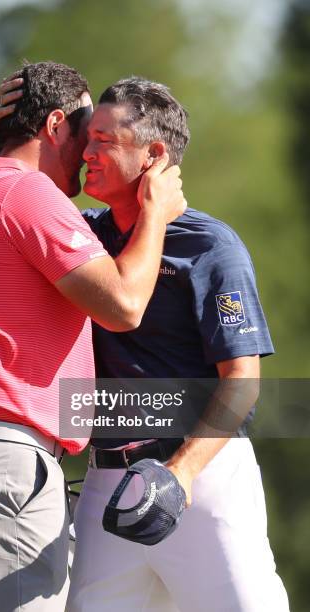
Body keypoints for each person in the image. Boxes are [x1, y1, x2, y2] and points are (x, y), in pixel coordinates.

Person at [0, 62, 185, 612]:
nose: (90, 153)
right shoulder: (30, 193)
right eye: (85, 132)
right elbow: (124, 306)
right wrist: (155, 214)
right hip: (2, 475)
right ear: (55, 126)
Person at [66, 78, 290, 612]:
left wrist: (180, 475)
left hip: (203, 480)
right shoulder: (80, 236)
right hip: (104, 488)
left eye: (103, 140)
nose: (86, 152)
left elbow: (243, 380)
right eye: (85, 138)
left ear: (155, 154)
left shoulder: (213, 245)